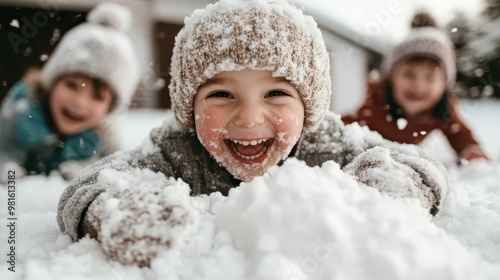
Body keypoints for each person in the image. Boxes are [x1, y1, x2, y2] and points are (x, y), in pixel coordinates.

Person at [57, 0, 450, 267]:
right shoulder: (176, 147)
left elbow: (419, 163)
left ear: (309, 106)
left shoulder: (325, 141)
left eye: (276, 93)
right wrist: (116, 213)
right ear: (188, 108)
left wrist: (395, 182)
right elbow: (88, 186)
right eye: (222, 94)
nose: (248, 119)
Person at [0, 2, 139, 182]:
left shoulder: (103, 135)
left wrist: (86, 169)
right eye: (72, 85)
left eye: (97, 96)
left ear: (109, 109)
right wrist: (9, 173)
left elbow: (116, 168)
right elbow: (4, 152)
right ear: (52, 84)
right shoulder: (20, 111)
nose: (80, 102)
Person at [342, 12, 489, 164]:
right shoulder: (373, 99)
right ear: (391, 78)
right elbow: (343, 126)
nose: (418, 85)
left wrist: (472, 154)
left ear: (444, 85)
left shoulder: (443, 109)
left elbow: (462, 137)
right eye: (409, 75)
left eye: (430, 78)